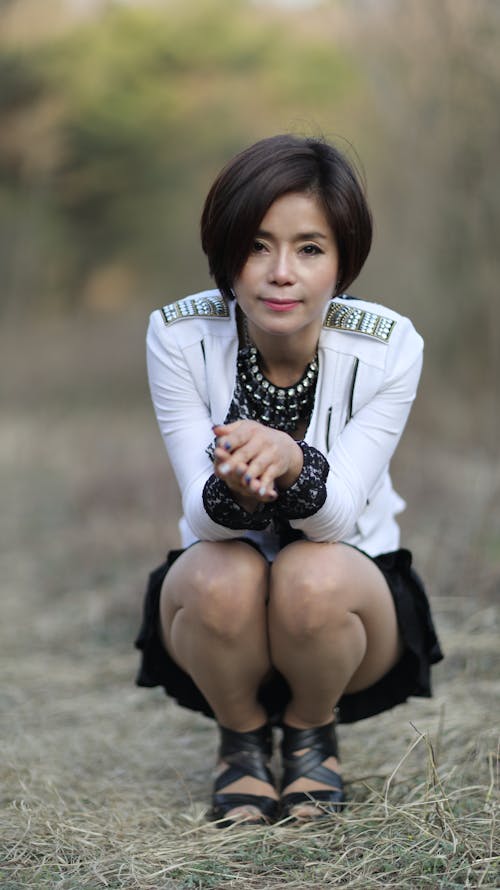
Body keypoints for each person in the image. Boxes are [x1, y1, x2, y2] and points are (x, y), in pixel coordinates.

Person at [135, 133, 443, 827]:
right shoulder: (176, 336)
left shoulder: (391, 347)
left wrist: (294, 460)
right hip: (217, 614)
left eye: (310, 248)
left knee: (311, 573)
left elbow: (337, 517)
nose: (281, 273)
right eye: (256, 245)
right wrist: (234, 487)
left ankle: (310, 731)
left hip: (346, 608)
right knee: (220, 572)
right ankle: (241, 740)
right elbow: (198, 508)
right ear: (226, 255)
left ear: (343, 261)